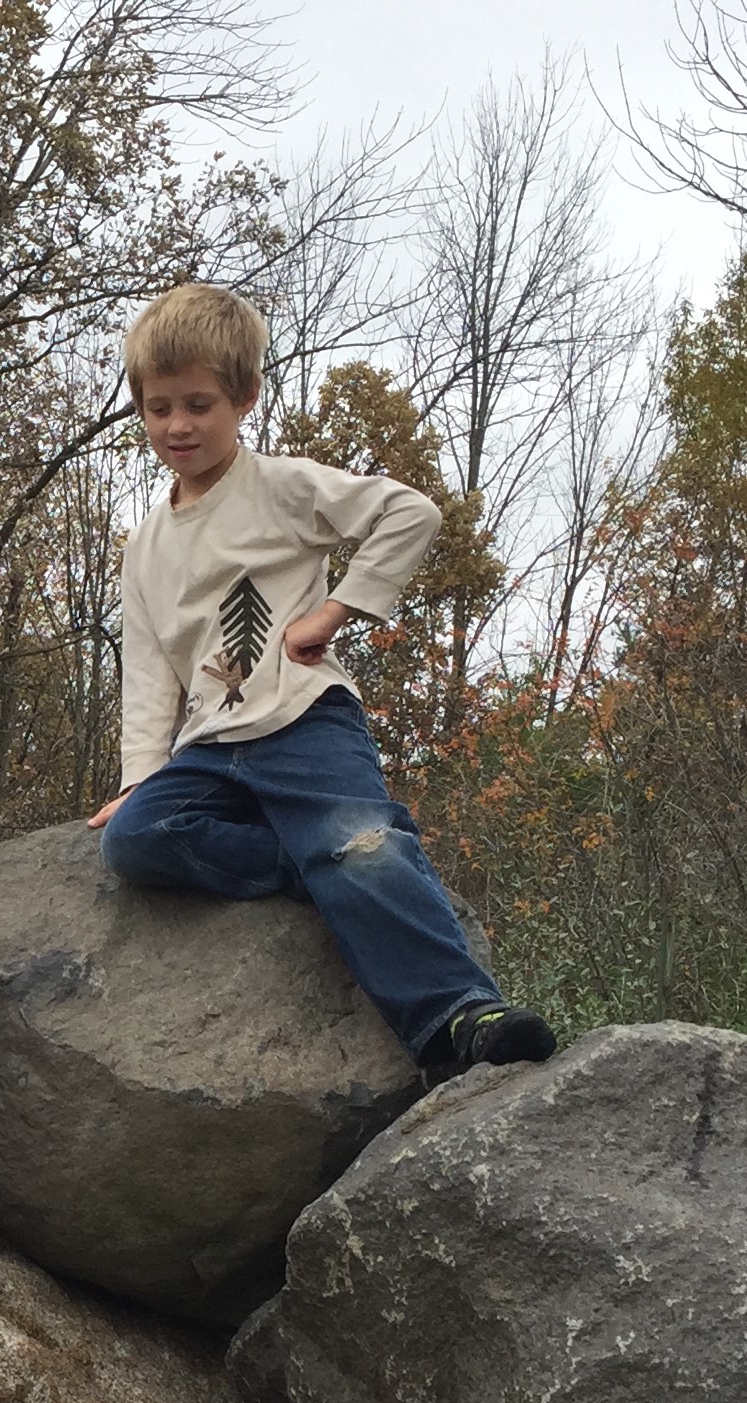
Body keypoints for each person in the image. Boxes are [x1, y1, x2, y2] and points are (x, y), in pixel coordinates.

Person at [90, 282, 556, 1076]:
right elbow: (146, 670)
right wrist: (140, 778)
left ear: (244, 397)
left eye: (199, 404)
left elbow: (410, 513)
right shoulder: (147, 544)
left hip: (306, 721)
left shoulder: (279, 486)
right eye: (160, 407)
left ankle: (461, 1018)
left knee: (363, 848)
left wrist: (334, 610)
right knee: (137, 842)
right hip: (210, 748)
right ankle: (309, 863)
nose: (178, 425)